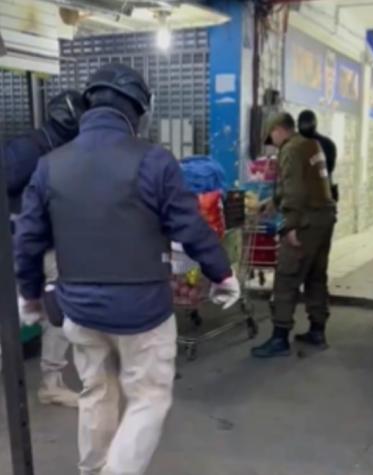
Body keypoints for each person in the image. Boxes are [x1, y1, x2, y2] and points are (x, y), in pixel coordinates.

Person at [14, 63, 242, 475]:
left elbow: (28, 239)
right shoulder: (155, 160)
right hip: (142, 311)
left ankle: (92, 468)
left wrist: (30, 295)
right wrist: (222, 274)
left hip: (78, 309)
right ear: (138, 110)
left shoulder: (50, 164)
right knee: (149, 397)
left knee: (96, 391)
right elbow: (188, 225)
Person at [3, 89, 87, 408]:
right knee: (11, 315)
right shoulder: (27, 149)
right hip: (19, 248)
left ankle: (51, 383)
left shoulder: (67, 152)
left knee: (60, 310)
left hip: (49, 248)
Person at [252, 112, 336, 358]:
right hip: (325, 217)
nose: (272, 143)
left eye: (271, 137)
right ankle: (317, 331)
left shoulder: (290, 149)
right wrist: (274, 201)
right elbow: (305, 183)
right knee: (316, 276)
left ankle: (279, 339)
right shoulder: (311, 144)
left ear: (279, 129)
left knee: (287, 277)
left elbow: (296, 191)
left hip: (306, 222)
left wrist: (289, 226)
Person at [297, 109, 338, 201]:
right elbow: (330, 169)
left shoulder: (297, 146)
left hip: (309, 198)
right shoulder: (328, 143)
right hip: (325, 195)